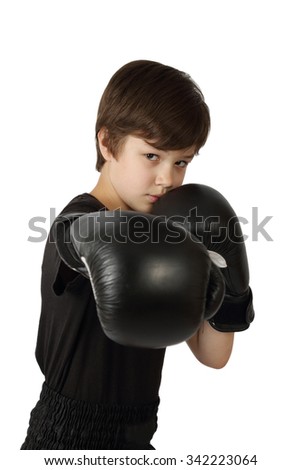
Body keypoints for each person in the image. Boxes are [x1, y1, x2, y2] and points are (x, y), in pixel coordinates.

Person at [21, 60, 254, 450]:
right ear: (107, 143)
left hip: (138, 442)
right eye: (152, 156)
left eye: (181, 161)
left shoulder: (170, 233)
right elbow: (75, 235)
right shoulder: (80, 220)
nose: (168, 179)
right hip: (63, 444)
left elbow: (214, 356)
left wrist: (232, 281)